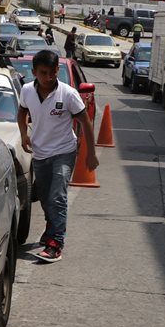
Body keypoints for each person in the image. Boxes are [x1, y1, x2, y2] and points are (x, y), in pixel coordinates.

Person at [17, 49, 98, 263]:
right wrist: (24, 134)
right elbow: (22, 111)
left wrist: (90, 153)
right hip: (40, 152)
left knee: (57, 196)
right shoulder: (26, 90)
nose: (48, 78)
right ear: (34, 72)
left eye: (52, 73)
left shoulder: (68, 94)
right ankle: (51, 225)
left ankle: (55, 243)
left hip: (64, 151)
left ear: (57, 71)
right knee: (44, 197)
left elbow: (85, 123)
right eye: (43, 73)